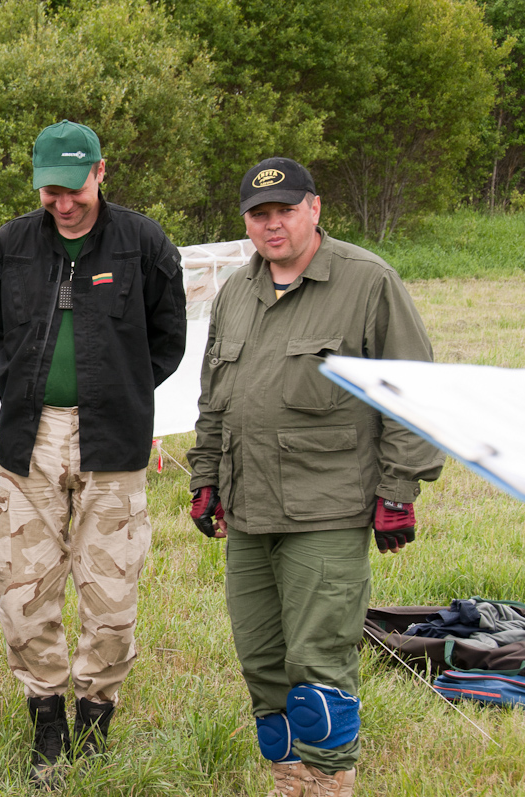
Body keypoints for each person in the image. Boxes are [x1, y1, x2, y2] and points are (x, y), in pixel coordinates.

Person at [187, 157, 444, 797]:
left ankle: (331, 783)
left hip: (327, 504)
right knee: (264, 665)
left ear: (315, 208)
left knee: (319, 665)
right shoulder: (236, 293)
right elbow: (216, 396)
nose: (272, 225)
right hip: (249, 507)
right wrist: (206, 476)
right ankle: (289, 779)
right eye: (259, 214)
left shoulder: (367, 282)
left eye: (285, 210)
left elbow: (412, 390)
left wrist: (399, 489)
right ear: (246, 221)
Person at [0, 120, 187, 785]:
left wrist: (119, 391)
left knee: (112, 593)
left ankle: (95, 716)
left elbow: (167, 337)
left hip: (114, 439)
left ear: (100, 173)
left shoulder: (144, 242)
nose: (63, 203)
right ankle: (47, 721)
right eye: (49, 192)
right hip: (29, 436)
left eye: (73, 188)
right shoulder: (11, 244)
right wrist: (22, 383)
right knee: (24, 588)